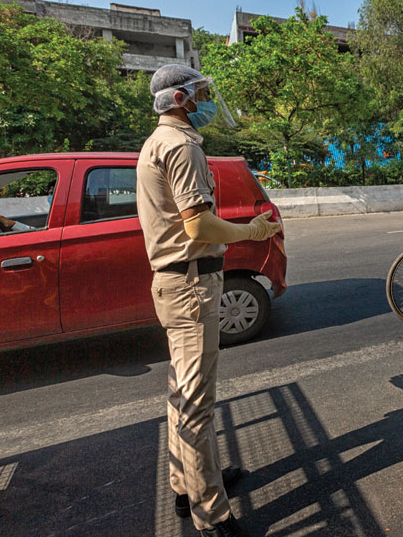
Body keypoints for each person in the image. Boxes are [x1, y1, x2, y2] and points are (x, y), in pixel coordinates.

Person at [136, 64, 281, 537]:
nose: (206, 101)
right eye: (199, 93)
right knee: (197, 403)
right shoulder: (181, 147)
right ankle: (212, 515)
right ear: (180, 100)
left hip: (177, 283)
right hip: (191, 285)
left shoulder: (158, 142)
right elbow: (198, 226)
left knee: (182, 397)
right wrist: (252, 231)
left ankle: (189, 486)